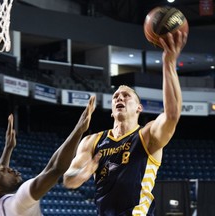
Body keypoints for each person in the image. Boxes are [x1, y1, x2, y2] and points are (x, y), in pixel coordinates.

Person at [63, 30, 188, 215]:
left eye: (126, 96)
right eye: (115, 97)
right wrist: (80, 174)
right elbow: (68, 179)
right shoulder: (92, 141)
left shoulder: (147, 136)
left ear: (139, 108)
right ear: (112, 111)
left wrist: (168, 63)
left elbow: (172, 114)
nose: (119, 98)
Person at [0, 95, 96, 216]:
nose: (9, 168)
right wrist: (78, 130)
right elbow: (55, 168)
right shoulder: (18, 203)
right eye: (4, 171)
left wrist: (8, 148)